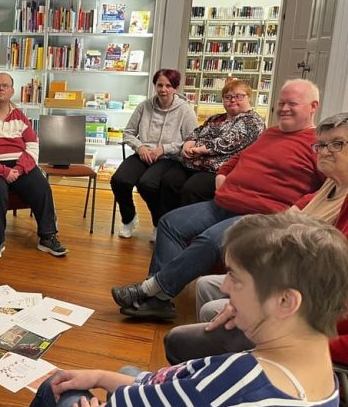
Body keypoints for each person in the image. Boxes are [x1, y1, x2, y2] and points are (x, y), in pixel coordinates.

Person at [22, 212, 348, 407]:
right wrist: (103, 377)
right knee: (127, 375)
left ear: (285, 301)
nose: (223, 287)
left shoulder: (228, 387)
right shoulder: (324, 382)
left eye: (235, 278)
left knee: (59, 386)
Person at [111, 79, 323, 321]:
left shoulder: (318, 144)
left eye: (292, 104)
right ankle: (160, 299)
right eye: (281, 103)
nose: (284, 108)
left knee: (210, 241)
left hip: (261, 213)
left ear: (313, 106)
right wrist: (222, 175)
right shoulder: (271, 133)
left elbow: (330, 188)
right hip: (225, 202)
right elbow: (238, 158)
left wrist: (298, 207)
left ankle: (150, 290)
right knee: (170, 223)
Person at [164, 111, 348, 365]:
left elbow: (321, 278)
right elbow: (283, 225)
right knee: (205, 280)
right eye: (322, 145)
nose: (325, 151)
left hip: (304, 309)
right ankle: (217, 369)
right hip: (287, 281)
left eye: (337, 144)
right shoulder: (329, 185)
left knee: (187, 331)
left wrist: (261, 298)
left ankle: (229, 371)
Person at [0, 72, 67, 259]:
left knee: (41, 186)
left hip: (20, 164)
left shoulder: (20, 115)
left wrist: (19, 169)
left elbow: (33, 145)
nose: (1, 88)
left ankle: (47, 237)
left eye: (5, 85)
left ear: (12, 90)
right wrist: (3, 172)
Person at [111, 68, 197, 240]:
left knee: (147, 184)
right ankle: (129, 218)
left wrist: (164, 148)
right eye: (159, 85)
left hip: (168, 157)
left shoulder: (185, 110)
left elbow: (192, 139)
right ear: (155, 86)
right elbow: (128, 132)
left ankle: (159, 222)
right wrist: (140, 147)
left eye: (168, 85)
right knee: (119, 180)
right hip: (144, 153)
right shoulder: (144, 106)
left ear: (176, 88)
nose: (163, 89)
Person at [159, 78, 265, 211]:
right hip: (192, 163)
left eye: (238, 96)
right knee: (169, 181)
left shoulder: (253, 121)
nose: (232, 100)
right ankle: (164, 223)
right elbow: (198, 131)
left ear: (249, 98)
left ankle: (187, 229)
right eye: (228, 97)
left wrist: (201, 149)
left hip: (218, 170)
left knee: (192, 189)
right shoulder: (216, 118)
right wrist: (188, 143)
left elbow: (228, 142)